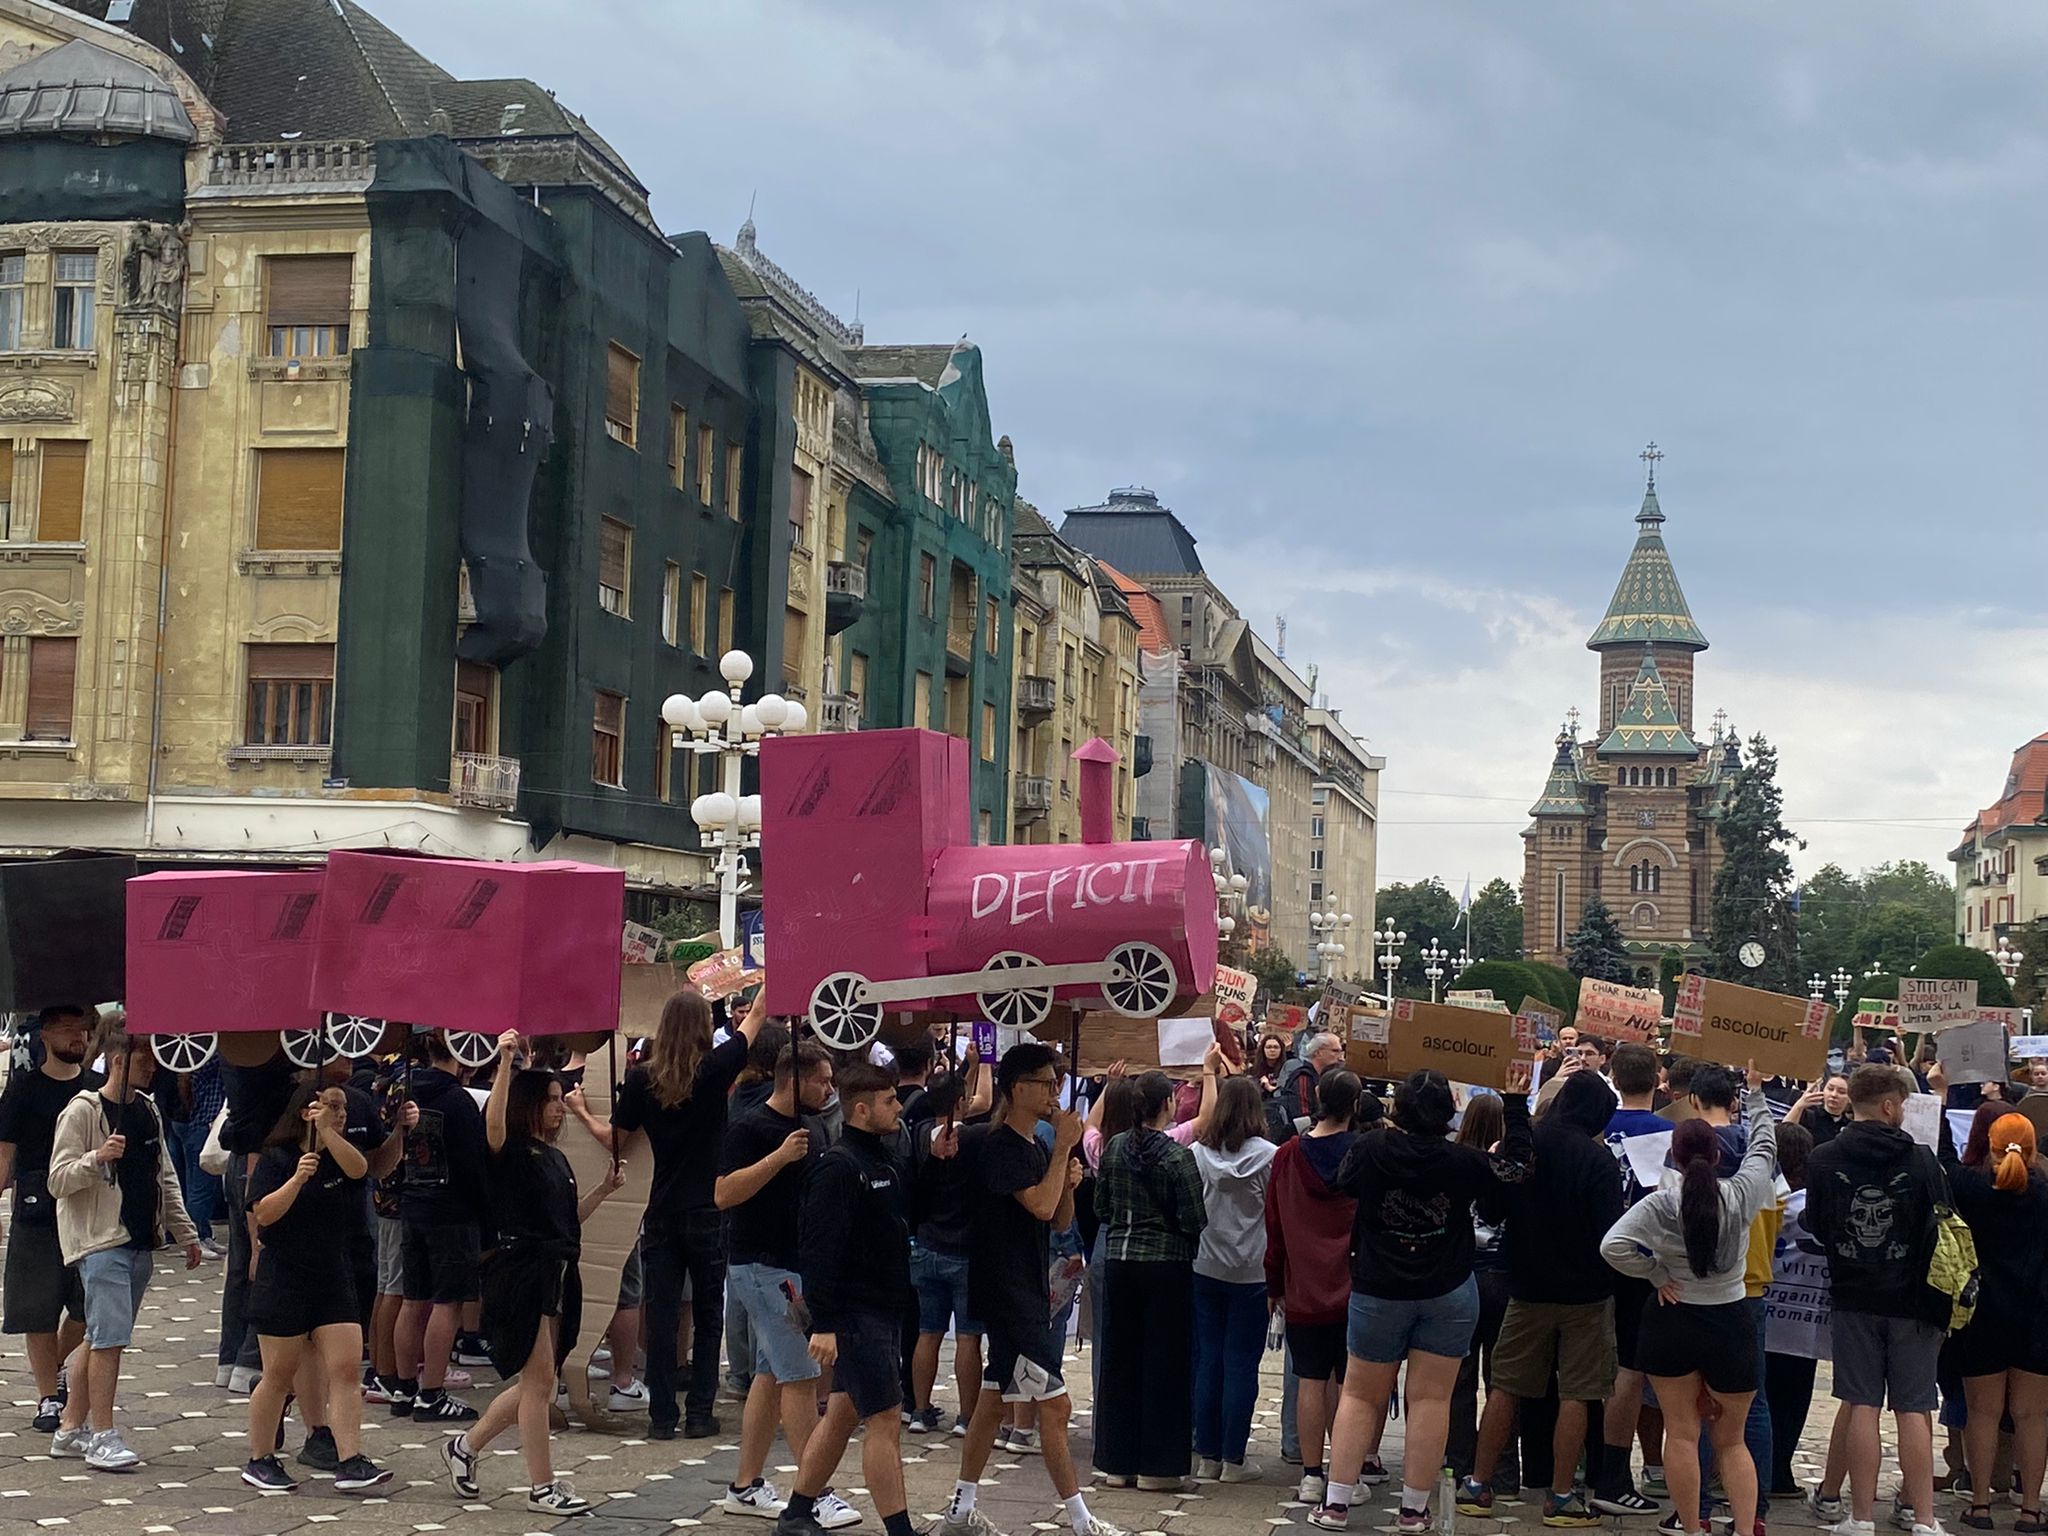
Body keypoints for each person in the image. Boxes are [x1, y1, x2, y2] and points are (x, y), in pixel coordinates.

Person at [1316, 1062, 1535, 1533]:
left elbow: (1340, 1180)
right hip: (1447, 1287)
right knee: (1433, 1400)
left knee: (1359, 1394)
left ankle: (1336, 1503)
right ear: (1448, 1110)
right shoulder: (1463, 1160)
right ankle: (1414, 1510)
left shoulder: (1371, 1148)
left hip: (1378, 1286)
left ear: (1399, 1107)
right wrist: (1515, 1107)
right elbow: (1516, 1171)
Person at [937, 1043, 1124, 1536]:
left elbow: (1056, 1217)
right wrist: (1062, 1149)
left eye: (1056, 1082)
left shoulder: (1034, 1147)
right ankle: (1081, 1521)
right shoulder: (1000, 1146)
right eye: (1045, 1083)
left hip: (1028, 1285)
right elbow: (1038, 1205)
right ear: (1018, 1088)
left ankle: (960, 1509)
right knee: (1056, 1407)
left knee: (992, 1401)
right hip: (1009, 1293)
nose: (1054, 1092)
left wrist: (1068, 1178)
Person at [440, 1031, 624, 1516]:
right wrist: (505, 1062)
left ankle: (465, 1446)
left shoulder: (556, 1158)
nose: (560, 1108)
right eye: (552, 1100)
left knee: (537, 1381)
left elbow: (565, 1222)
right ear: (530, 1105)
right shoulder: (509, 1151)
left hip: (556, 1271)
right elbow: (493, 1125)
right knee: (541, 1382)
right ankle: (543, 1487)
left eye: (560, 1100)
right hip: (519, 1271)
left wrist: (604, 1190)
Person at [1598, 1061, 1777, 1536]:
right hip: (1731, 1318)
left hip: (1673, 1316)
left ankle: (1692, 1527)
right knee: (1732, 1441)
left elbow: (1612, 1246)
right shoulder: (1740, 1194)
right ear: (1718, 1155)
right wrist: (1755, 1095)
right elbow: (1764, 1147)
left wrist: (1656, 1272)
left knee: (1680, 1433)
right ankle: (1745, 1528)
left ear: (1673, 1157)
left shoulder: (1661, 1203)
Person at [777, 1060, 955, 1536]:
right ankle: (900, 1530)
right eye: (889, 1101)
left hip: (885, 1306)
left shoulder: (883, 1159)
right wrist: (825, 1324)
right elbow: (818, 1251)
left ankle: (796, 1512)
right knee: (886, 1418)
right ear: (861, 1109)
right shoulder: (837, 1167)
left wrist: (937, 1162)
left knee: (841, 1415)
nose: (899, 1108)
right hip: (856, 1314)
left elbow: (909, 1213)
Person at [592, 986, 769, 1439]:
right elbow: (755, 1018)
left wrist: (580, 1109)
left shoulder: (641, 1080)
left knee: (662, 1313)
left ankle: (661, 1416)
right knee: (708, 1315)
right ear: (703, 1028)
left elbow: (616, 1140)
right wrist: (770, 972)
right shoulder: (714, 1069)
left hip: (662, 1208)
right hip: (710, 1204)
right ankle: (700, 1413)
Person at [1461, 1071, 1624, 1527]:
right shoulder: (1598, 1160)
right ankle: (1561, 1495)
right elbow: (1611, 1233)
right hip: (1586, 1294)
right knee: (1577, 1392)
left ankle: (1478, 1484)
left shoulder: (1526, 1145)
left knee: (1505, 1385)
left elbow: (1491, 1208)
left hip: (1526, 1287)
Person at [46, 1017, 201, 1472]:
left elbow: (164, 1174)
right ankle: (103, 1434)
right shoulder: (83, 1111)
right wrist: (96, 1158)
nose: (152, 1068)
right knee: (109, 1340)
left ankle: (69, 1427)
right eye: (145, 1059)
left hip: (140, 1241)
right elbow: (58, 1179)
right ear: (118, 1060)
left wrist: (185, 1230)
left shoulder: (148, 1109)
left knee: (99, 1338)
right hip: (101, 1242)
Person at [1804, 1062, 1952, 1536]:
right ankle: (1924, 1517)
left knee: (1861, 1403)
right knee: (1914, 1408)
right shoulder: (1922, 1160)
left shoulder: (1824, 1157)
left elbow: (1816, 1223)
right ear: (1890, 1106)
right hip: (1915, 1297)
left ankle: (1861, 1515)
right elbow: (1946, 1222)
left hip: (1853, 1292)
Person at [715, 1040, 855, 1525]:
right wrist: (777, 1158)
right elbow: (724, 1193)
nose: (830, 1089)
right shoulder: (750, 1127)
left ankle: (745, 1484)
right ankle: (813, 1492)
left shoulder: (812, 1126)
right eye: (822, 1080)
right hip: (762, 1265)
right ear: (795, 1081)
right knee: (800, 1375)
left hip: (793, 1263)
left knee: (771, 1375)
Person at [239, 1082, 390, 1494]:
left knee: (345, 1368)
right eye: (333, 1107)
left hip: (333, 1273)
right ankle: (260, 1458)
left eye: (343, 1108)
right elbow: (263, 1213)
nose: (342, 1114)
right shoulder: (277, 1157)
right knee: (278, 1373)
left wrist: (327, 1135)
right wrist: (296, 1180)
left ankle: (350, 1458)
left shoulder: (340, 1156)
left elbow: (360, 1170)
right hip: (285, 1276)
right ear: (307, 1110)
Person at [1926, 1061, 2048, 1534]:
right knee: (2032, 1416)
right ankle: (2031, 1509)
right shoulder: (2045, 1193)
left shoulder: (1971, 1186)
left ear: (1990, 1146)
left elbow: (1939, 1159)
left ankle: (1979, 1505)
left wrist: (1940, 1095)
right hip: (2037, 1316)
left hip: (1981, 1314)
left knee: (1982, 1413)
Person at [1094, 1070, 1209, 1490]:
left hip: (1119, 1260)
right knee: (1165, 1363)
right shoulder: (1178, 1157)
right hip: (1166, 1266)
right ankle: (1157, 1468)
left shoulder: (1114, 1148)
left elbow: (1101, 1207)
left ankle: (1117, 1462)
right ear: (1167, 1105)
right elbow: (1195, 1218)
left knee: (1119, 1359)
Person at [0, 1004, 101, 1432]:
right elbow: (4, 1153)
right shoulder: (22, 1089)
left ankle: (58, 1365)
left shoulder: (97, 1088)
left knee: (88, 1307)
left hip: (90, 1209)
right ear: (45, 1035)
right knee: (36, 1306)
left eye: (82, 1029)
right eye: (66, 1029)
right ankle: (47, 1396)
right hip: (37, 1209)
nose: (77, 1037)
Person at [392, 1031, 490, 1423]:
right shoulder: (458, 1101)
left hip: (413, 1202)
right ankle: (432, 1392)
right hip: (453, 1210)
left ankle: (403, 1386)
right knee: (448, 1302)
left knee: (413, 1299)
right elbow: (474, 1163)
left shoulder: (407, 1091)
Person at [1595, 1042, 1674, 1510]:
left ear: (1614, 1077)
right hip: (1648, 1265)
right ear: (1658, 1078)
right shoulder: (1670, 1134)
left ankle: (1594, 1464)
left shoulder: (1597, 1128)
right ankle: (1619, 1471)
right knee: (1634, 1369)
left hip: (1597, 1257)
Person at [1189, 1074, 1277, 1482]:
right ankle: (1234, 1458)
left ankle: (1207, 1454)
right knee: (1242, 1363)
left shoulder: (1197, 1154)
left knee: (1209, 1359)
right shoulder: (1271, 1157)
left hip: (1205, 1264)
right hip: (1252, 1271)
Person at [1447, 1093, 1511, 1492]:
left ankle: (1457, 1461)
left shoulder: (1454, 1164)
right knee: (1502, 1380)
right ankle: (1502, 1470)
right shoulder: (1508, 1169)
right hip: (1503, 1277)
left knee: (1459, 1378)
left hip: (1461, 1276)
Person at [1762, 1122, 1821, 1500]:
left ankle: (1756, 1467)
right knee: (1795, 1398)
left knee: (1761, 1395)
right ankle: (1780, 1470)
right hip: (1807, 1317)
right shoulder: (1818, 1202)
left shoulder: (1767, 1198)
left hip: (1767, 1311)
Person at [1280, 1034, 1343, 1131]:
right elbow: (1303, 1119)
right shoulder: (1303, 1078)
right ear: (1318, 1053)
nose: (1340, 1057)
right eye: (1335, 1051)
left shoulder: (1326, 1077)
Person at [1787, 1074, 1853, 1149]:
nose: (1834, 1095)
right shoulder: (1808, 1116)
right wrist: (1798, 1106)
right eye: (1830, 1089)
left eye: (1841, 1092)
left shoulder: (1850, 1126)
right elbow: (1784, 1133)